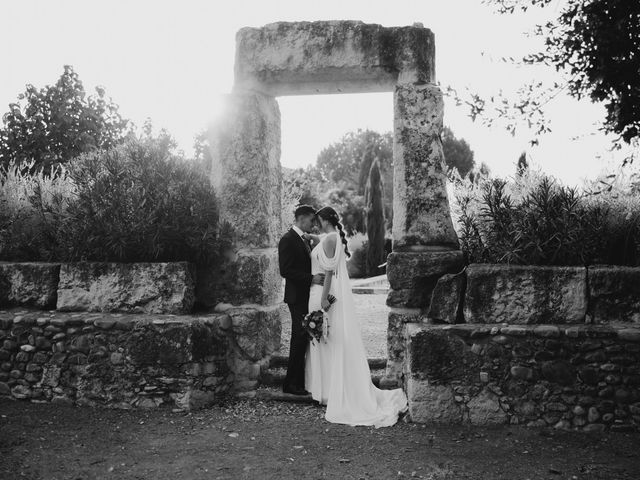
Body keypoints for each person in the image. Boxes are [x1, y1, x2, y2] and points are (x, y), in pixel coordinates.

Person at [304, 206, 408, 427]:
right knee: (326, 340)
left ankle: (333, 392)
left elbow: (330, 271)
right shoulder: (332, 237)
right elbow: (324, 244)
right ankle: (329, 389)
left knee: (328, 340)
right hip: (323, 293)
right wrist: (310, 236)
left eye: (318, 220)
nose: (316, 224)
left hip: (324, 295)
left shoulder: (331, 239)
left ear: (324, 220)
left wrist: (323, 300)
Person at [278, 205, 325, 395]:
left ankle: (298, 381)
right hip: (296, 296)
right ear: (302, 218)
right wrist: (311, 279)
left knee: (302, 338)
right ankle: (290, 384)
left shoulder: (303, 239)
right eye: (312, 220)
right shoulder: (288, 239)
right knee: (298, 338)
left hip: (305, 295)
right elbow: (286, 270)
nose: (313, 224)